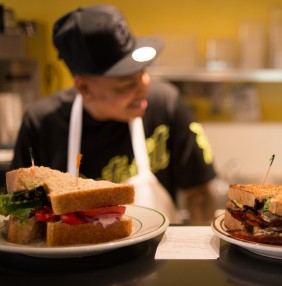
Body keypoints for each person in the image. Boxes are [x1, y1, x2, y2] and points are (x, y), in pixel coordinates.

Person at [9, 5, 218, 224]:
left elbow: (199, 196)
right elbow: (21, 210)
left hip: (157, 255)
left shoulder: (167, 105)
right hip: (68, 256)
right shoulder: (42, 123)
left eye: (143, 73)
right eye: (125, 85)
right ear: (84, 88)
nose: (143, 87)